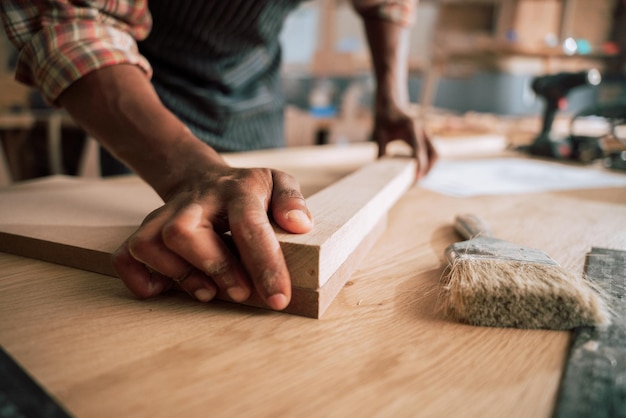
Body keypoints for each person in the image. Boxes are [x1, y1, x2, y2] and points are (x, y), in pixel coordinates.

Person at [1, 0, 437, 311]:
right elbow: (76, 25)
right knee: (180, 239)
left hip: (255, 87)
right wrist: (189, 173)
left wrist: (392, 99)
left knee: (262, 217)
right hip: (146, 91)